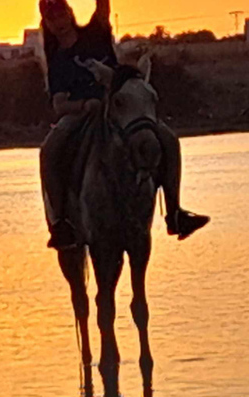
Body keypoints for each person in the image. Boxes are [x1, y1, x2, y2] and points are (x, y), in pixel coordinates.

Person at [39, 0, 209, 249]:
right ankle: (61, 221)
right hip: (83, 113)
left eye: (61, 15)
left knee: (167, 138)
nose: (59, 23)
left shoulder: (96, 33)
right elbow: (59, 104)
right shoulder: (58, 60)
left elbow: (103, 6)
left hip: (120, 105)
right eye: (52, 19)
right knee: (51, 149)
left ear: (70, 14)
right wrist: (84, 105)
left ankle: (175, 212)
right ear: (47, 24)